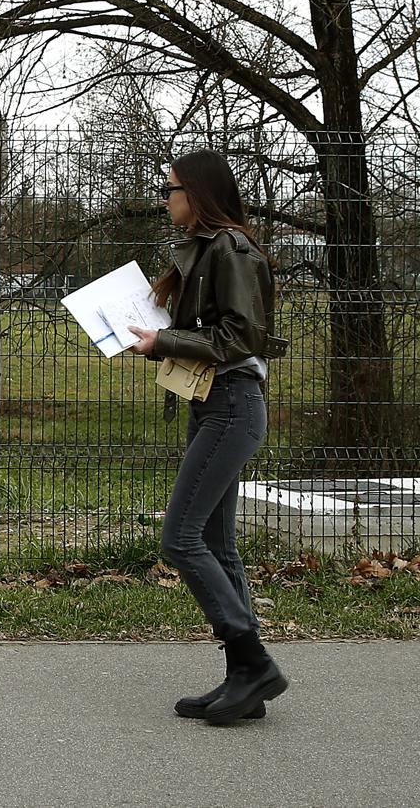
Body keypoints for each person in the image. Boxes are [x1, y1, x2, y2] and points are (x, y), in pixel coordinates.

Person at [126, 150, 288, 725]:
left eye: (171, 189)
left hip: (232, 405)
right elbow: (206, 330)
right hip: (212, 404)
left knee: (180, 538)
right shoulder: (203, 247)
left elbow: (240, 338)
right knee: (217, 544)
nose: (164, 198)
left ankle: (254, 663)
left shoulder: (232, 249)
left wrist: (163, 344)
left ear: (197, 194)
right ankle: (244, 680)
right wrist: (156, 333)